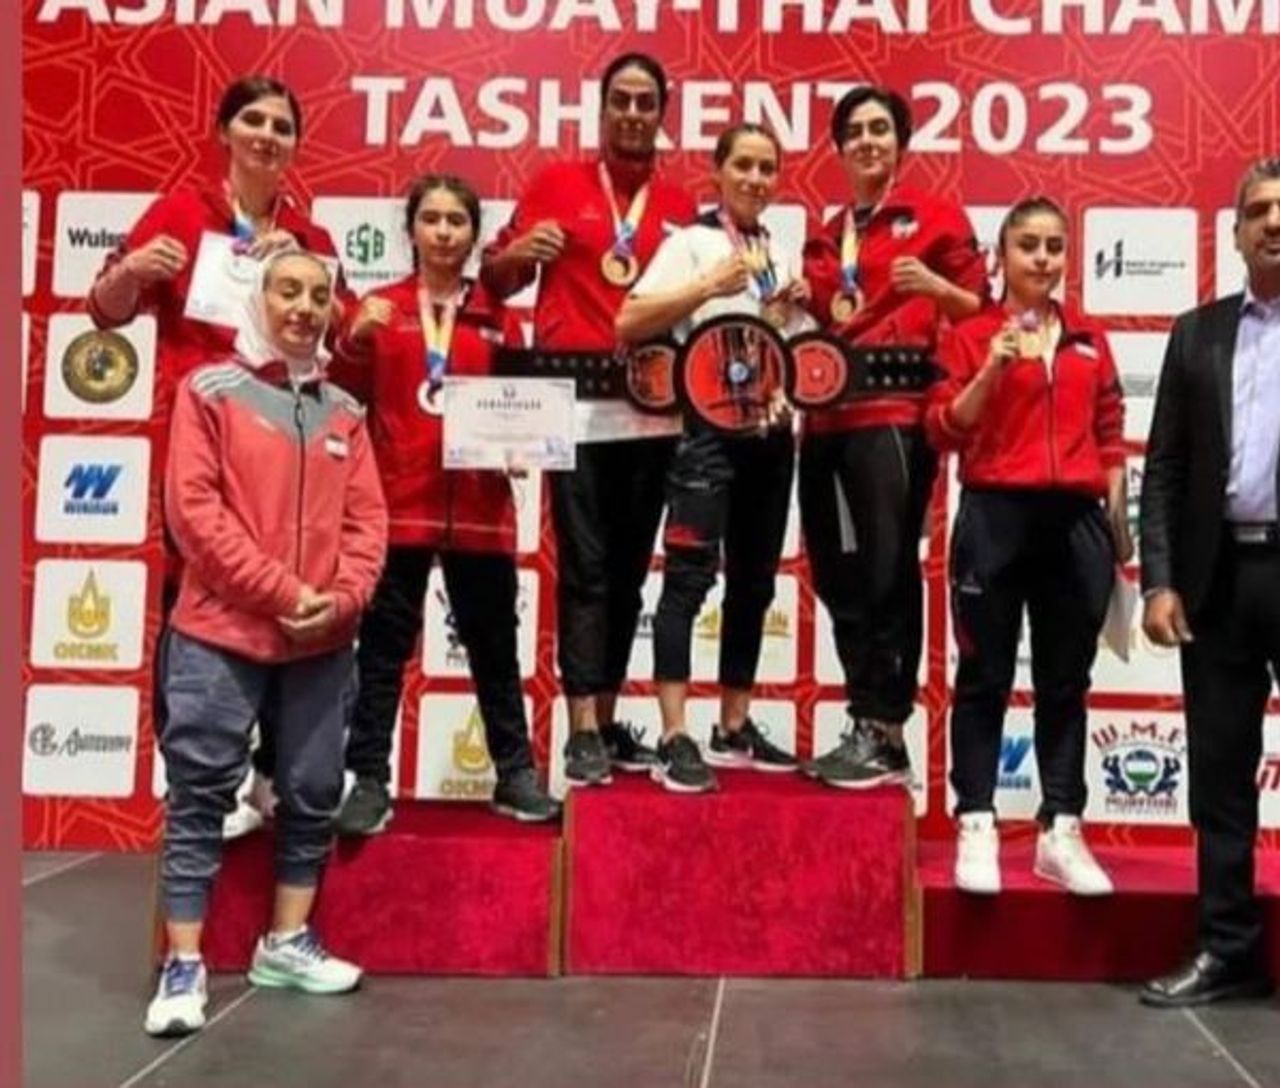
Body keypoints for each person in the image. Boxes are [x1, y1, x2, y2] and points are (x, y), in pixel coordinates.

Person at [88, 75, 348, 838]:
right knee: (197, 603)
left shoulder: (312, 235)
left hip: (287, 447)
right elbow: (103, 313)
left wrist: (303, 274)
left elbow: (337, 340)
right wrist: (132, 273)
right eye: (254, 120)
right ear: (225, 131)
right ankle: (198, 773)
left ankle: (270, 772)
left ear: (297, 144)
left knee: (286, 596)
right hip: (201, 435)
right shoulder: (181, 210)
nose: (268, 135)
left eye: (283, 124)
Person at [145, 250, 387, 1038]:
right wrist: (283, 594)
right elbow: (195, 514)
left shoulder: (346, 408)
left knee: (314, 790)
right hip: (223, 632)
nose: (305, 307)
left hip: (322, 638)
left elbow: (367, 526)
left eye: (319, 295)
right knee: (201, 792)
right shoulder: (209, 389)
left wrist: (341, 600)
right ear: (259, 297)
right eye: (288, 290)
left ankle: (285, 942)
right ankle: (182, 964)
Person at [482, 53, 697, 785]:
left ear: (661, 115)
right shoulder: (554, 183)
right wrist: (517, 253)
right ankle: (578, 726)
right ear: (602, 111)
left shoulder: (678, 203)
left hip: (652, 404)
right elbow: (497, 280)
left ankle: (606, 718)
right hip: (569, 402)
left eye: (646, 102)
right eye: (621, 101)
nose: (633, 113)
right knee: (585, 566)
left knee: (633, 568)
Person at [329, 175, 561, 833]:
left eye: (456, 221)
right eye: (430, 219)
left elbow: (526, 401)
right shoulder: (379, 308)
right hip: (398, 503)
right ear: (411, 230)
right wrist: (351, 340)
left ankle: (515, 775)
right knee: (382, 650)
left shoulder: (498, 316)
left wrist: (526, 440)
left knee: (494, 647)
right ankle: (367, 778)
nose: (443, 232)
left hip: (481, 508)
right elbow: (343, 395)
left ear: (473, 234)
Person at [927, 197, 1130, 896]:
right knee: (984, 677)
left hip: (1076, 521)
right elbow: (943, 429)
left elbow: (1109, 427)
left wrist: (1118, 509)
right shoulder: (970, 334)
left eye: (1052, 246)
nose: (1042, 258)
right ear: (1002, 257)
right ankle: (977, 822)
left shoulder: (1088, 340)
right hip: (995, 515)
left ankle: (1061, 829)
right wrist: (990, 367)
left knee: (1065, 684)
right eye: (1028, 246)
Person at [800, 85, 988, 788]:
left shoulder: (937, 219)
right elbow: (827, 319)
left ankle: (885, 726)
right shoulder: (826, 231)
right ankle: (864, 719)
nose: (868, 141)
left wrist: (937, 290)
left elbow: (984, 312)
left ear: (901, 144)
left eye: (881, 129)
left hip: (893, 415)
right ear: (840, 146)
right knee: (832, 570)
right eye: (855, 131)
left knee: (886, 568)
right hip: (823, 418)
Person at [616, 123, 811, 791]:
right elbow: (629, 321)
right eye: (744, 166)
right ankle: (675, 734)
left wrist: (789, 319)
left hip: (768, 435)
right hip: (704, 435)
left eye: (767, 168)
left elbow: (779, 349)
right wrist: (709, 283)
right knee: (688, 581)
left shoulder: (780, 254)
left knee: (755, 583)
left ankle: (734, 724)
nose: (756, 179)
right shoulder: (691, 242)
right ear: (718, 171)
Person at [1138, 157, 1280, 1008]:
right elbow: (1162, 472)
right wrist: (1159, 581)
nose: (1275, 221)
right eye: (1258, 210)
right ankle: (1229, 951)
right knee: (1221, 776)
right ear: (1233, 234)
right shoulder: (1196, 334)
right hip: (1220, 578)